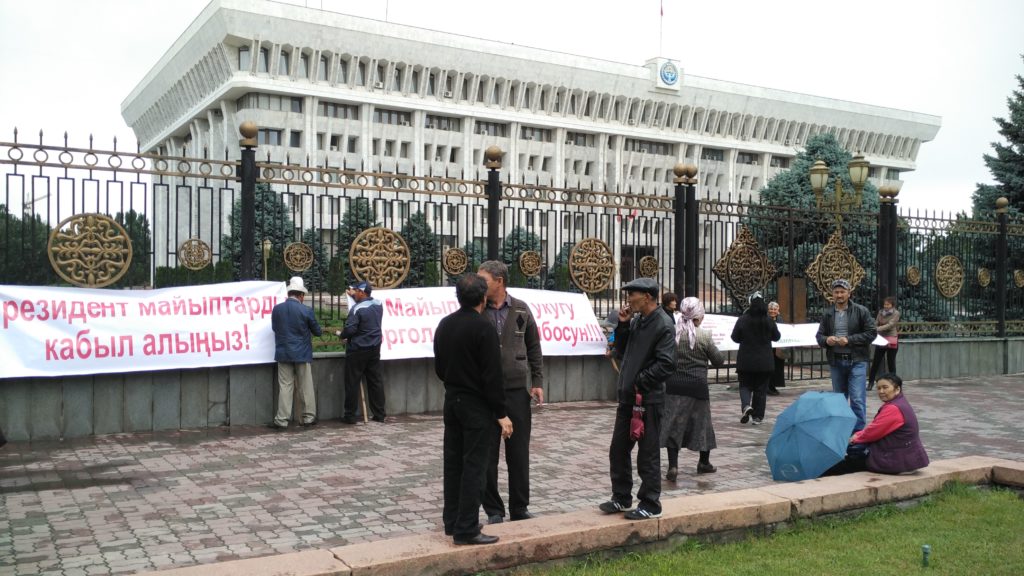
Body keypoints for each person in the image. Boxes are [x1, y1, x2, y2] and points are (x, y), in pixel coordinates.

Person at [434, 273, 514, 545]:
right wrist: (501, 412)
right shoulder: (483, 328)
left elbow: (440, 369)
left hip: (452, 401)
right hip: (477, 407)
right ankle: (467, 528)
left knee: (453, 462)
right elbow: (492, 376)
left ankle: (452, 521)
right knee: (475, 466)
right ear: (482, 298)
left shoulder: (444, 324)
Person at [599, 277, 676, 520]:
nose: (628, 298)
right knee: (618, 449)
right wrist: (622, 326)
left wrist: (640, 381)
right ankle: (621, 497)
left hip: (648, 400)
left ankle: (650, 503)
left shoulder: (663, 324)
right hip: (628, 398)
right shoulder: (637, 321)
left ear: (647, 296)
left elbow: (666, 364)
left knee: (648, 453)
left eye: (632, 294)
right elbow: (621, 352)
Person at [477, 260, 544, 524]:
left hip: (516, 391)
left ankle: (520, 507)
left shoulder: (521, 309)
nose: (480, 284)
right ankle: (494, 510)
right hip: (484, 393)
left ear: (499, 281)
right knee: (486, 454)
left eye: (484, 280)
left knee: (518, 452)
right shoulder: (477, 308)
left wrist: (537, 380)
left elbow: (534, 346)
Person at [661, 297, 725, 480]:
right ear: (699, 316)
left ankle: (673, 466)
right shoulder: (704, 336)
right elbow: (718, 360)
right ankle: (703, 463)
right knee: (702, 425)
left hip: (674, 386)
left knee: (673, 424)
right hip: (697, 387)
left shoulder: (672, 334)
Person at [823, 373, 929, 476]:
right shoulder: (900, 403)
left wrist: (854, 438)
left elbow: (872, 433)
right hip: (906, 457)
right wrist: (858, 435)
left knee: (840, 465)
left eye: (885, 387)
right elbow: (876, 429)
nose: (881, 391)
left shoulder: (893, 408)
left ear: (897, 389)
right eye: (878, 388)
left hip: (896, 460)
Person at [816, 278, 877, 433]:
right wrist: (826, 340)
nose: (839, 295)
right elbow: (819, 336)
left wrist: (849, 340)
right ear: (832, 294)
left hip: (857, 361)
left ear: (849, 293)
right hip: (836, 362)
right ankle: (842, 431)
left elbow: (871, 333)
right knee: (839, 400)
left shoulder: (861, 311)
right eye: (836, 292)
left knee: (857, 399)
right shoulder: (828, 313)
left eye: (842, 292)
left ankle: (858, 434)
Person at [269, 277, 322, 429]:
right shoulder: (306, 310)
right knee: (305, 386)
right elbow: (317, 332)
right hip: (302, 354)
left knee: (285, 386)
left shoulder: (277, 309)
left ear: (289, 293)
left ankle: (281, 420)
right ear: (301, 295)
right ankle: (308, 418)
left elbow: (274, 328)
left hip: (283, 352)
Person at [336, 280, 385, 424]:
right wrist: (353, 296)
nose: (353, 293)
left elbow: (351, 329)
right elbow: (366, 306)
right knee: (375, 381)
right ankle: (379, 414)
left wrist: (342, 335)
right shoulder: (378, 304)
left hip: (358, 350)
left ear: (362, 292)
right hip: (374, 348)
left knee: (352, 382)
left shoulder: (357, 309)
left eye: (356, 291)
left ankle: (350, 415)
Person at [731, 292, 781, 425]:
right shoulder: (768, 320)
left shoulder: (743, 319)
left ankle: (746, 405)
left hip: (746, 360)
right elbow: (777, 337)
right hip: (765, 361)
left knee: (745, 386)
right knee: (761, 389)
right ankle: (758, 417)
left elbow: (734, 337)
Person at [868, 297, 900, 391]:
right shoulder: (881, 312)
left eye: (888, 304)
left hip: (891, 339)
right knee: (876, 362)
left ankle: (894, 384)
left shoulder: (896, 313)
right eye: (885, 304)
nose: (885, 306)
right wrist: (874, 327)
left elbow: (890, 325)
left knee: (891, 363)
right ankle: (870, 383)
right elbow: (877, 322)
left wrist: (877, 329)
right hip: (881, 339)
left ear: (892, 305)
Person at [767, 301, 786, 396]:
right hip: (768, 348)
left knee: (777, 367)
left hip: (777, 348)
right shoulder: (765, 319)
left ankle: (773, 385)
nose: (772, 311)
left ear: (778, 310)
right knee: (769, 367)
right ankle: (768, 387)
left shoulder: (780, 319)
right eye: (771, 309)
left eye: (775, 309)